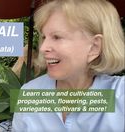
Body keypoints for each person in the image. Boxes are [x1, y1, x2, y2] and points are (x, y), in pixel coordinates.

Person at [12, 0, 125, 131]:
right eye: (44, 37)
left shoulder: (121, 94)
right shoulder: (29, 93)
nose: (43, 48)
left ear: (94, 47)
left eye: (57, 37)